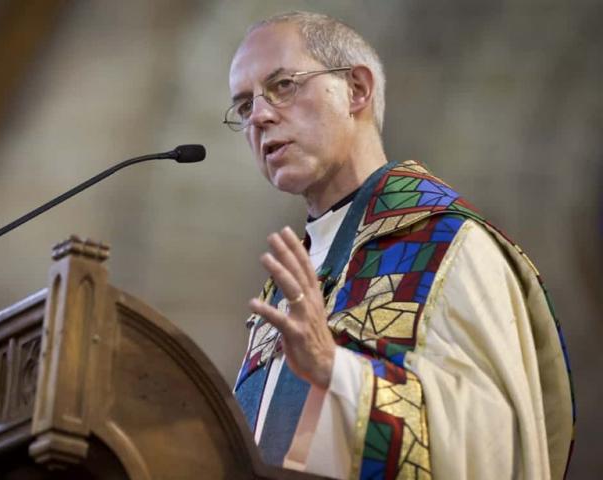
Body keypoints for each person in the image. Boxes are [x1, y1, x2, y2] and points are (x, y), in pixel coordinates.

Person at [226, 11, 574, 479]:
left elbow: (495, 443)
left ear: (357, 90)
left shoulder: (449, 245)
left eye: (283, 85)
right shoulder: (288, 283)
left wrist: (336, 370)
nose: (261, 117)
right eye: (245, 106)